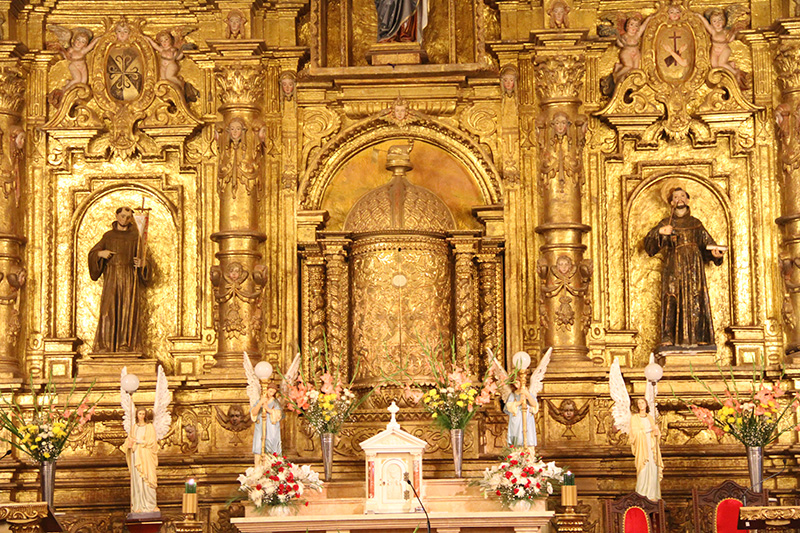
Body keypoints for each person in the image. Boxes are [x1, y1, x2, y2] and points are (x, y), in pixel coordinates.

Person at [643, 187, 724, 350]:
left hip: (694, 268)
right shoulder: (667, 223)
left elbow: (708, 245)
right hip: (674, 266)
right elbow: (649, 245)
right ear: (671, 202)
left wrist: (716, 254)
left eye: (682, 196)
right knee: (672, 297)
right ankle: (669, 336)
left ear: (687, 200)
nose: (679, 199)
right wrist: (660, 232)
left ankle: (699, 336)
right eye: (675, 197)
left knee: (695, 298)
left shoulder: (696, 224)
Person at [88, 206, 150, 352]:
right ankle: (105, 345)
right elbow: (93, 253)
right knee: (107, 311)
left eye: (128, 217)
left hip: (129, 277)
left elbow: (144, 257)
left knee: (127, 310)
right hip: (112, 277)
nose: (125, 219)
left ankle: (126, 344)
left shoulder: (136, 237)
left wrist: (143, 264)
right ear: (116, 216)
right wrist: (100, 254)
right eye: (122, 216)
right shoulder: (108, 236)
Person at [125, 407, 159, 513]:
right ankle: (138, 505)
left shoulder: (150, 427)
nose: (141, 416)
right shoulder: (134, 427)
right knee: (138, 481)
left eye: (143, 414)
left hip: (147, 456)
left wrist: (140, 441)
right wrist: (130, 443)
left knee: (149, 479)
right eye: (139, 414)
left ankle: (151, 504)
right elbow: (129, 441)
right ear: (136, 415)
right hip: (137, 456)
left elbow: (152, 442)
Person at [630, 398, 662, 501]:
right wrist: (648, 430)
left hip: (651, 447)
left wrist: (656, 433)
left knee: (653, 467)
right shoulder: (634, 418)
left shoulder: (650, 418)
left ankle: (653, 494)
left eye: (642, 402)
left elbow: (656, 433)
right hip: (642, 448)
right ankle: (642, 494)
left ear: (646, 404)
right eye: (639, 403)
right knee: (643, 469)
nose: (641, 404)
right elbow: (634, 433)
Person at [250, 381, 282, 464]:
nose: (271, 394)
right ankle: (258, 467)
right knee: (259, 445)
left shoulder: (275, 402)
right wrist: (260, 402)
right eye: (270, 391)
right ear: (266, 390)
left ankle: (271, 466)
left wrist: (268, 409)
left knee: (270, 445)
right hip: (260, 426)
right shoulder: (260, 400)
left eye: (273, 392)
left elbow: (278, 414)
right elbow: (253, 413)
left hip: (271, 428)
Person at [503, 377, 536, 448]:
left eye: (517, 382)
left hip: (527, 419)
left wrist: (527, 394)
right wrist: (519, 402)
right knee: (517, 439)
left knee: (528, 438)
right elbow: (509, 406)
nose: (516, 384)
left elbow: (534, 405)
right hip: (516, 420)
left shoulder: (528, 393)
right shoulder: (513, 395)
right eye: (514, 383)